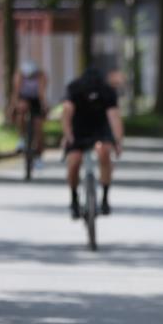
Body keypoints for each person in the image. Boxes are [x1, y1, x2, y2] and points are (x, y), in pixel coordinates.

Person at [61, 66, 124, 218]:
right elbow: (67, 113)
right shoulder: (74, 89)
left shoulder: (107, 91)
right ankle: (74, 199)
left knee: (104, 152)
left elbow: (114, 117)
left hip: (100, 129)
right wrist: (68, 135)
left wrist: (117, 141)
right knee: (74, 161)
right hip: (79, 128)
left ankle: (105, 198)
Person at [12, 60, 47, 160]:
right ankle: (22, 138)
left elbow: (41, 94)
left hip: (36, 99)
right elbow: (16, 93)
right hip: (24, 98)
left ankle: (39, 155)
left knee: (39, 128)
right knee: (21, 108)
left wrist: (44, 106)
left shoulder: (41, 76)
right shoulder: (19, 76)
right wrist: (14, 106)